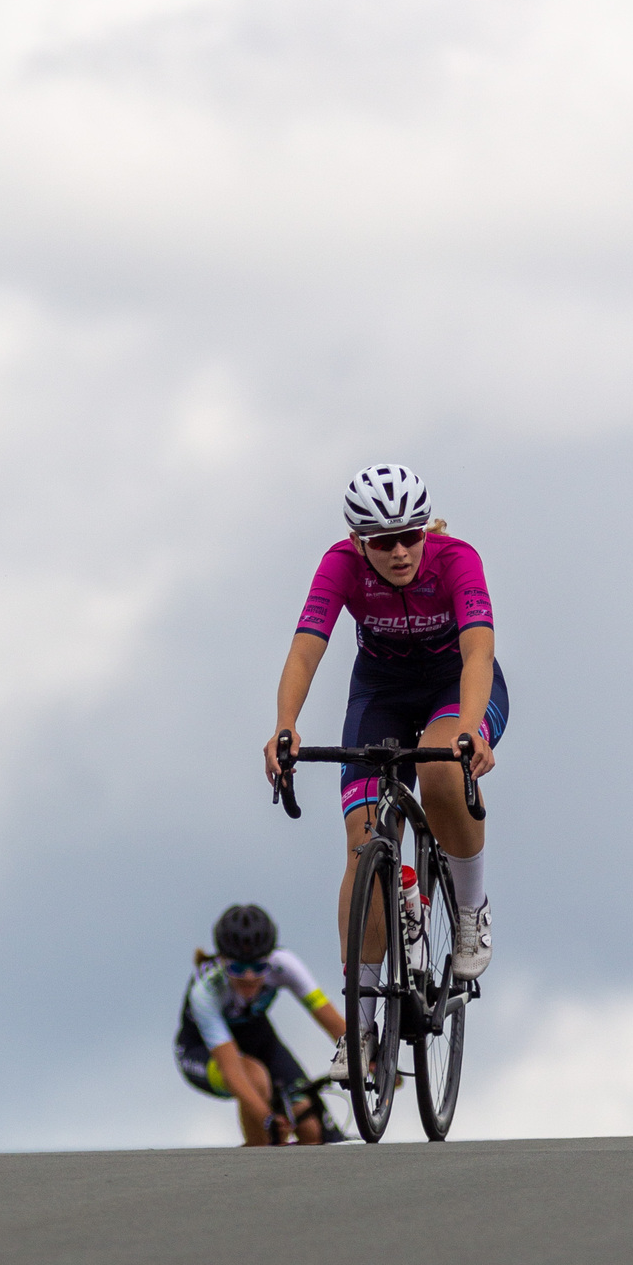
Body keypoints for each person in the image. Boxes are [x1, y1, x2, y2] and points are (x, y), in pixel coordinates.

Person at [264, 463, 506, 1082]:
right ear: (357, 542)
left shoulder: (455, 559)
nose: (399, 551)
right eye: (381, 541)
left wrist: (473, 730)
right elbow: (307, 643)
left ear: (424, 529)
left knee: (441, 773)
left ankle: (472, 911)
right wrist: (286, 726)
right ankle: (362, 1025)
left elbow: (479, 649)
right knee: (360, 849)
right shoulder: (339, 567)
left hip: (457, 687)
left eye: (409, 535)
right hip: (380, 693)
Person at [175, 903, 346, 1146]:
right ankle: (258, 1160)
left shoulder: (284, 964)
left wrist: (371, 1060)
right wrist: (267, 1119)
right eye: (237, 968)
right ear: (222, 960)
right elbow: (233, 1071)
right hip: (203, 1052)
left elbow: (332, 1021)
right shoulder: (206, 991)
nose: (249, 977)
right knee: (255, 1080)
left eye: (258, 967)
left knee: (311, 1128)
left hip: (259, 1040)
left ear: (270, 958)